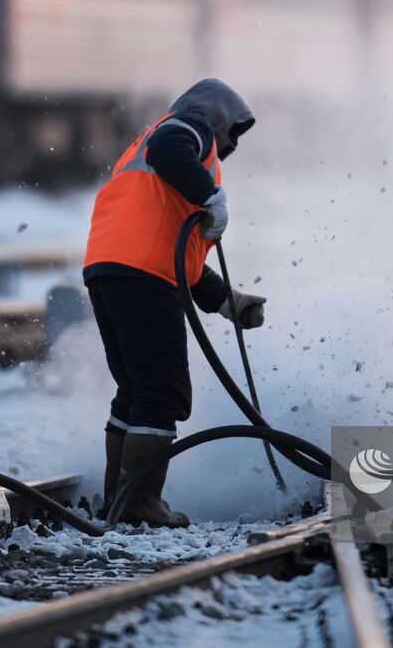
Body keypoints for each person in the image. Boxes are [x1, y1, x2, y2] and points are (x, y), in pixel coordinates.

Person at [84, 78, 267, 528]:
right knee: (161, 391)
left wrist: (228, 301)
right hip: (141, 275)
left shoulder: (146, 154)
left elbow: (175, 253)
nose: (230, 146)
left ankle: (120, 500)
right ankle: (139, 503)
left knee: (136, 389)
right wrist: (212, 197)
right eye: (233, 134)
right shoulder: (187, 127)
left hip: (111, 268)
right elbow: (173, 148)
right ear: (219, 117)